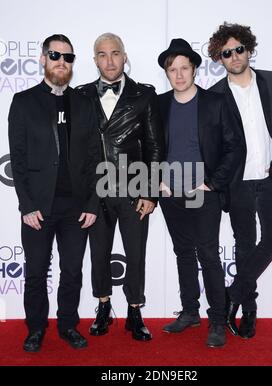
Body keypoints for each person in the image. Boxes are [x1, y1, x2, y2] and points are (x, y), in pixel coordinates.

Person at [8, 34, 100, 352]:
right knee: (35, 272)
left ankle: (68, 326)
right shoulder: (23, 102)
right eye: (56, 55)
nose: (62, 61)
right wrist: (27, 205)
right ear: (44, 59)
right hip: (38, 208)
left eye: (68, 57)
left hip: (75, 207)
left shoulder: (85, 103)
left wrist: (91, 203)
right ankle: (35, 328)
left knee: (72, 271)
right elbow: (17, 161)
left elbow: (94, 158)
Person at [208, 22, 272, 339]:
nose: (234, 56)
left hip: (271, 178)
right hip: (238, 184)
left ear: (249, 49)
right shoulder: (216, 95)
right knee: (245, 247)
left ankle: (230, 296)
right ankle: (249, 311)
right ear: (219, 59)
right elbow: (215, 147)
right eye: (226, 53)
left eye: (239, 49)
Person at [76, 33, 164, 341]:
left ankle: (135, 311)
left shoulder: (144, 95)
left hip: (134, 189)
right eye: (102, 54)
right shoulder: (81, 95)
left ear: (124, 56)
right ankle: (102, 306)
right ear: (95, 59)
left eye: (115, 53)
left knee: (136, 253)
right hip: (95, 192)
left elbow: (154, 146)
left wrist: (150, 192)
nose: (110, 60)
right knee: (98, 252)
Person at [157, 38, 241, 347]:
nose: (178, 75)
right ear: (167, 73)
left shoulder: (215, 103)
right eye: (172, 70)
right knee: (183, 254)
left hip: (203, 191)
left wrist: (212, 183)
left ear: (194, 69)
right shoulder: (160, 104)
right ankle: (190, 312)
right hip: (171, 192)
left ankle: (217, 320)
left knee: (207, 254)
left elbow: (235, 148)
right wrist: (159, 182)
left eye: (184, 68)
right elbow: (150, 147)